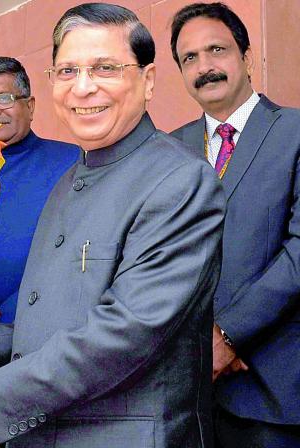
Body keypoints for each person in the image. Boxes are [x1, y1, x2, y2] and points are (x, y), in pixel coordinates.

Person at [0, 4, 225, 447]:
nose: (84, 87)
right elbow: (60, 320)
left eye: (105, 68)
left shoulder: (179, 180)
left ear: (148, 81)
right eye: (67, 70)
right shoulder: (66, 183)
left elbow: (127, 334)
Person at [170, 3, 300, 446]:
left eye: (217, 50)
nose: (204, 67)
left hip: (274, 389)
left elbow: (299, 253)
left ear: (246, 56)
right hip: (185, 392)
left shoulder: (295, 133)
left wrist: (229, 334)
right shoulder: (166, 152)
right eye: (189, 58)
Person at [0, 57, 78, 324]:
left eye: (3, 98)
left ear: (30, 106)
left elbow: (74, 260)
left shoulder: (72, 164)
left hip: (31, 331)